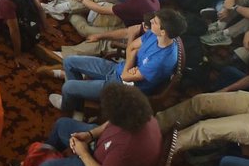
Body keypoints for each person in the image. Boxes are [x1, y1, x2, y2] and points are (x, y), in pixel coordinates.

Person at [28, 83, 162, 166]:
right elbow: (110, 123)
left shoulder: (126, 147)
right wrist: (90, 134)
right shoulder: (139, 114)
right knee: (61, 124)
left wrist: (83, 153)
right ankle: (42, 156)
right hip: (100, 147)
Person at [48, 9, 184, 114]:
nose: (151, 21)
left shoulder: (162, 60)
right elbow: (131, 48)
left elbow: (126, 76)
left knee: (68, 87)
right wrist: (131, 59)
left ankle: (67, 106)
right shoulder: (154, 35)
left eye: (155, 22)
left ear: (163, 32)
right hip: (119, 69)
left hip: (122, 88)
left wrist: (131, 58)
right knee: (70, 62)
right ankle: (76, 103)